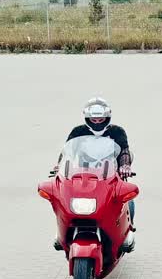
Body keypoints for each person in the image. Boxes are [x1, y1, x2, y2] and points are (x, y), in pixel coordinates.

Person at [53, 97, 136, 250]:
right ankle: (62, 233)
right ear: (87, 118)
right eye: (94, 119)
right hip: (83, 173)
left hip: (111, 173)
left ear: (107, 118)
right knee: (64, 197)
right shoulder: (78, 131)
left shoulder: (117, 131)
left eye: (100, 119)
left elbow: (124, 150)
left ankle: (126, 229)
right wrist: (59, 166)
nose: (97, 122)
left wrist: (125, 166)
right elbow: (67, 151)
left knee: (125, 196)